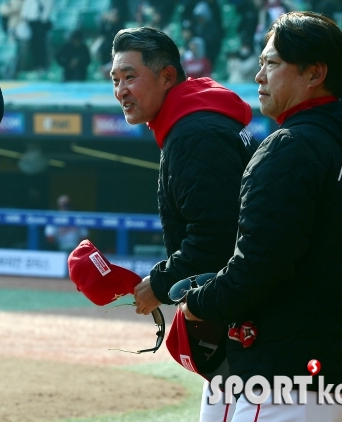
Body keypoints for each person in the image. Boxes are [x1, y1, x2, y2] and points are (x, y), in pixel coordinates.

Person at [181, 11, 342, 421]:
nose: (259, 76)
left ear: (315, 73)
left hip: (292, 377)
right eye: (260, 63)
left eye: (273, 64)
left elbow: (259, 265)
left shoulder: (289, 146)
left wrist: (198, 303)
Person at [109, 26, 258, 421]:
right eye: (115, 79)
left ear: (167, 77)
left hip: (244, 325)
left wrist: (159, 285)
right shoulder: (197, 122)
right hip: (240, 314)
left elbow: (216, 237)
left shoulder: (195, 133)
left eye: (130, 76)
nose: (121, 89)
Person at [20, 0, 53, 72]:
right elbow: (27, 5)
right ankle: (36, 65)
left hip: (40, 22)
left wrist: (44, 18)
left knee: (41, 44)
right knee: (34, 45)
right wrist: (24, 16)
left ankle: (42, 64)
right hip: (32, 21)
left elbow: (48, 6)